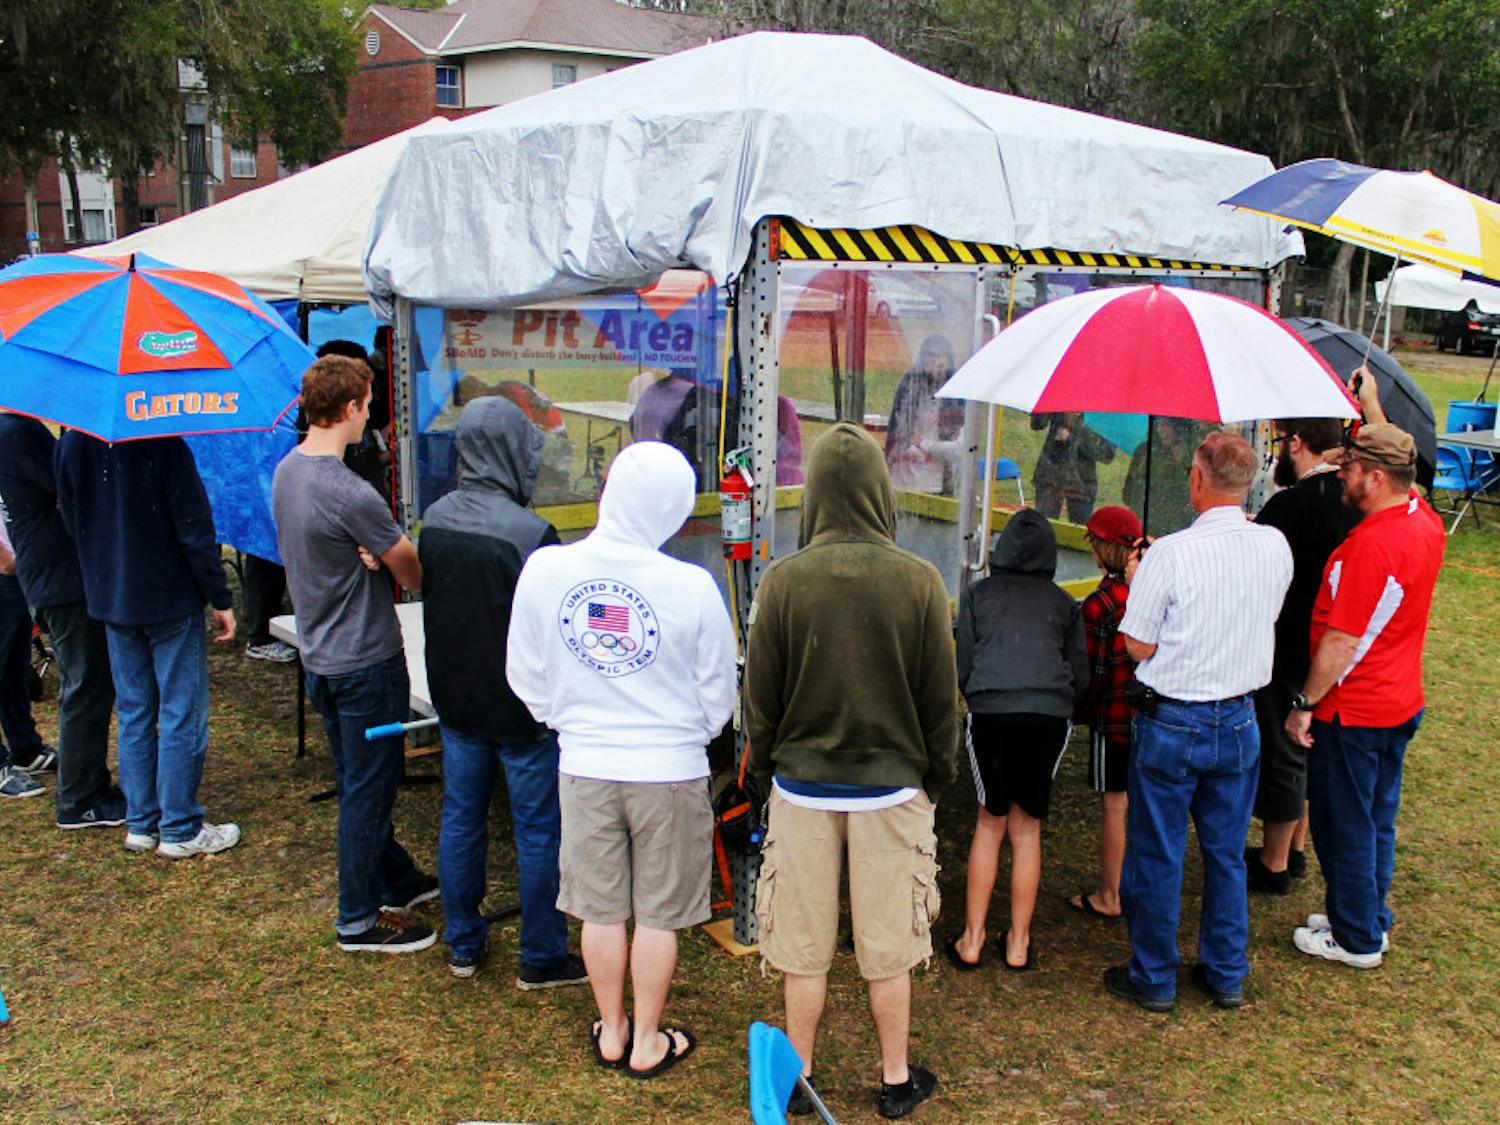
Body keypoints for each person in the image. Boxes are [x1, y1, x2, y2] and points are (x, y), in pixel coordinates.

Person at [745, 423, 958, 1119]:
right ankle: (896, 1076)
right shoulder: (921, 581)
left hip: (800, 786)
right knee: (890, 940)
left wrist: (766, 768)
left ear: (813, 495)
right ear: (879, 490)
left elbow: (761, 701)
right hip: (894, 790)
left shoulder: (782, 581)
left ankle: (801, 1076)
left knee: (803, 944)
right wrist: (936, 778)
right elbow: (940, 701)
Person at [506, 441, 734, 1079]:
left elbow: (525, 675)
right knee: (660, 915)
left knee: (600, 909)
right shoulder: (691, 585)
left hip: (584, 765)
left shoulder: (546, 569)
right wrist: (681, 734)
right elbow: (719, 695)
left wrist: (573, 721)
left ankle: (612, 1030)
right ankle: (647, 1040)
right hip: (671, 771)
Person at [1106, 431, 1292, 1012]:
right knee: (1226, 850)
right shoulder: (1274, 546)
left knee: (1159, 851)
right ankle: (1225, 970)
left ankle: (1155, 975)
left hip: (1174, 719)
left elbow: (1137, 645)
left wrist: (1142, 583)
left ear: (1197, 479)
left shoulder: (1169, 556)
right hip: (1239, 716)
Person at [420, 397, 587, 988]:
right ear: (515, 449)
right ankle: (541, 956)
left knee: (461, 820)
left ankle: (463, 943)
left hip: (457, 700)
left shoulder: (435, 516)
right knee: (538, 829)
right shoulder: (531, 532)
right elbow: (560, 625)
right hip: (522, 709)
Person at [273, 354, 437, 954]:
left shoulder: (290, 471)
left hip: (319, 655)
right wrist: (384, 555)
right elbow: (414, 574)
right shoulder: (351, 492)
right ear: (350, 409)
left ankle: (395, 880)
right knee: (369, 790)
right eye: (369, 404)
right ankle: (358, 919)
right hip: (365, 662)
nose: (372, 415)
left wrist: (365, 555)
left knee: (358, 781)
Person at [1285, 422, 1444, 969]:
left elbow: (1341, 641)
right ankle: (1367, 914)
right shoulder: (1421, 517)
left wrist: (1305, 704)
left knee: (1343, 821)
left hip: (1356, 708)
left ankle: (1356, 937)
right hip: (1396, 699)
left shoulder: (1373, 547)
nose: (1340, 476)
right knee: (1376, 816)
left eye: (1349, 469)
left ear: (1377, 478)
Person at [55, 431, 241, 858]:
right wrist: (219, 596)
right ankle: (177, 826)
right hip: (165, 597)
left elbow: (70, 516)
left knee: (136, 710)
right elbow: (194, 528)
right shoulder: (164, 445)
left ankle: (143, 823)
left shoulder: (72, 445)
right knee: (180, 712)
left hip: (113, 594)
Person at [951, 508, 1087, 972]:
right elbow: (1080, 674)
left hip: (991, 709)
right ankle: (1018, 944)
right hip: (1048, 715)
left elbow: (963, 664)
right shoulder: (1065, 605)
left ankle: (971, 940)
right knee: (1026, 828)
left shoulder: (976, 596)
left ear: (1000, 549)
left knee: (989, 823)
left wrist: (984, 694)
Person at [1245, 417, 1359, 894]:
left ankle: (1273, 864)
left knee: (1283, 749)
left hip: (1289, 645)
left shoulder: (1291, 505)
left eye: (1279, 442)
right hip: (1329, 644)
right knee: (1306, 749)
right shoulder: (1350, 499)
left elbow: (1257, 565)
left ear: (1296, 443)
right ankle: (1294, 845)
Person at [0, 414, 115, 821]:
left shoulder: (17, 429)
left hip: (47, 574)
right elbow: (69, 488)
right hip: (59, 579)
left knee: (84, 682)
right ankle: (81, 800)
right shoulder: (16, 431)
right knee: (86, 686)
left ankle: (84, 786)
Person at [1068, 505, 1144, 920]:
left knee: (1115, 805)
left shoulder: (1099, 603)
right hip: (1151, 718)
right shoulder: (1152, 587)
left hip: (1113, 719)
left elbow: (1091, 672)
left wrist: (1078, 711)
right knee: (1144, 802)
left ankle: (1111, 895)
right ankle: (1138, 886)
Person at [0, 510, 56, 799]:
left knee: (15, 666)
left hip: (17, 571)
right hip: (6, 568)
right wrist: (6, 561)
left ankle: (26, 748)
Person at [885, 334, 965, 495]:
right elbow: (898, 431)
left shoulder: (956, 396)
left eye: (939, 359)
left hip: (936, 481)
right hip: (904, 478)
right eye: (929, 357)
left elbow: (960, 448)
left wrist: (924, 443)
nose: (934, 364)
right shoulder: (911, 386)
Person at [1029, 412, 1115, 522]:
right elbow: (1037, 424)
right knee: (1043, 526)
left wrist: (1070, 438)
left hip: (1082, 483)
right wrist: (1044, 409)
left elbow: (1106, 454)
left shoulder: (1100, 415)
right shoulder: (1061, 403)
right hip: (1050, 478)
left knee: (1080, 530)